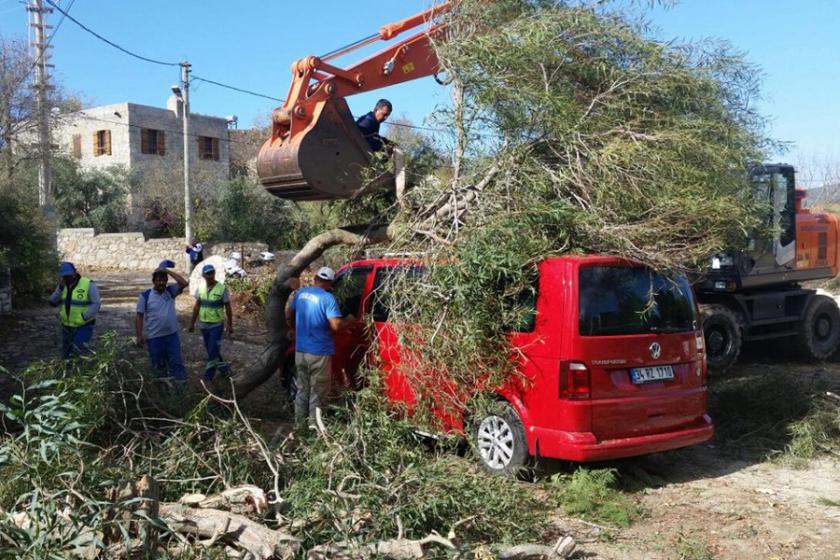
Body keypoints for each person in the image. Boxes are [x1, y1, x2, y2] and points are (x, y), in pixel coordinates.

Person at [286, 266, 354, 423]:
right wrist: (349, 321)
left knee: (302, 390)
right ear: (330, 284)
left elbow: (289, 314)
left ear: (315, 279)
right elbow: (336, 325)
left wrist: (293, 329)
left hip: (301, 350)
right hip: (319, 353)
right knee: (318, 392)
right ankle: (314, 429)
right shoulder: (327, 298)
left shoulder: (301, 294)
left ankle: (300, 426)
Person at [135, 262, 189, 383]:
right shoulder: (145, 296)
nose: (161, 283)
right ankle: (162, 392)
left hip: (172, 336)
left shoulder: (170, 292)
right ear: (153, 281)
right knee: (158, 366)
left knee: (176, 363)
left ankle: (181, 390)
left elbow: (184, 283)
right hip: (154, 338)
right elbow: (139, 316)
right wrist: (139, 335)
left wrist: (167, 271)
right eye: (158, 280)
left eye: (164, 280)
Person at [189, 264, 233, 381]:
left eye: (211, 273)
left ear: (214, 273)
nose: (210, 275)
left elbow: (228, 307)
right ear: (203, 275)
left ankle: (208, 377)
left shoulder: (222, 288)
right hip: (204, 324)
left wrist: (230, 324)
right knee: (211, 350)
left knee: (213, 350)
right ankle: (225, 369)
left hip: (216, 325)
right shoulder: (201, 289)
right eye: (207, 273)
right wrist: (192, 323)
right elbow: (197, 306)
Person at [48, 262, 100, 358]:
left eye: (70, 275)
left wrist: (83, 317)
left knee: (78, 351)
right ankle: (68, 371)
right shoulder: (62, 286)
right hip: (66, 327)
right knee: (66, 354)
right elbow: (52, 302)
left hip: (84, 325)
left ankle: (80, 371)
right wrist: (60, 288)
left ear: (75, 272)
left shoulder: (88, 284)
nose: (68, 278)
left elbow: (96, 304)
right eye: (65, 276)